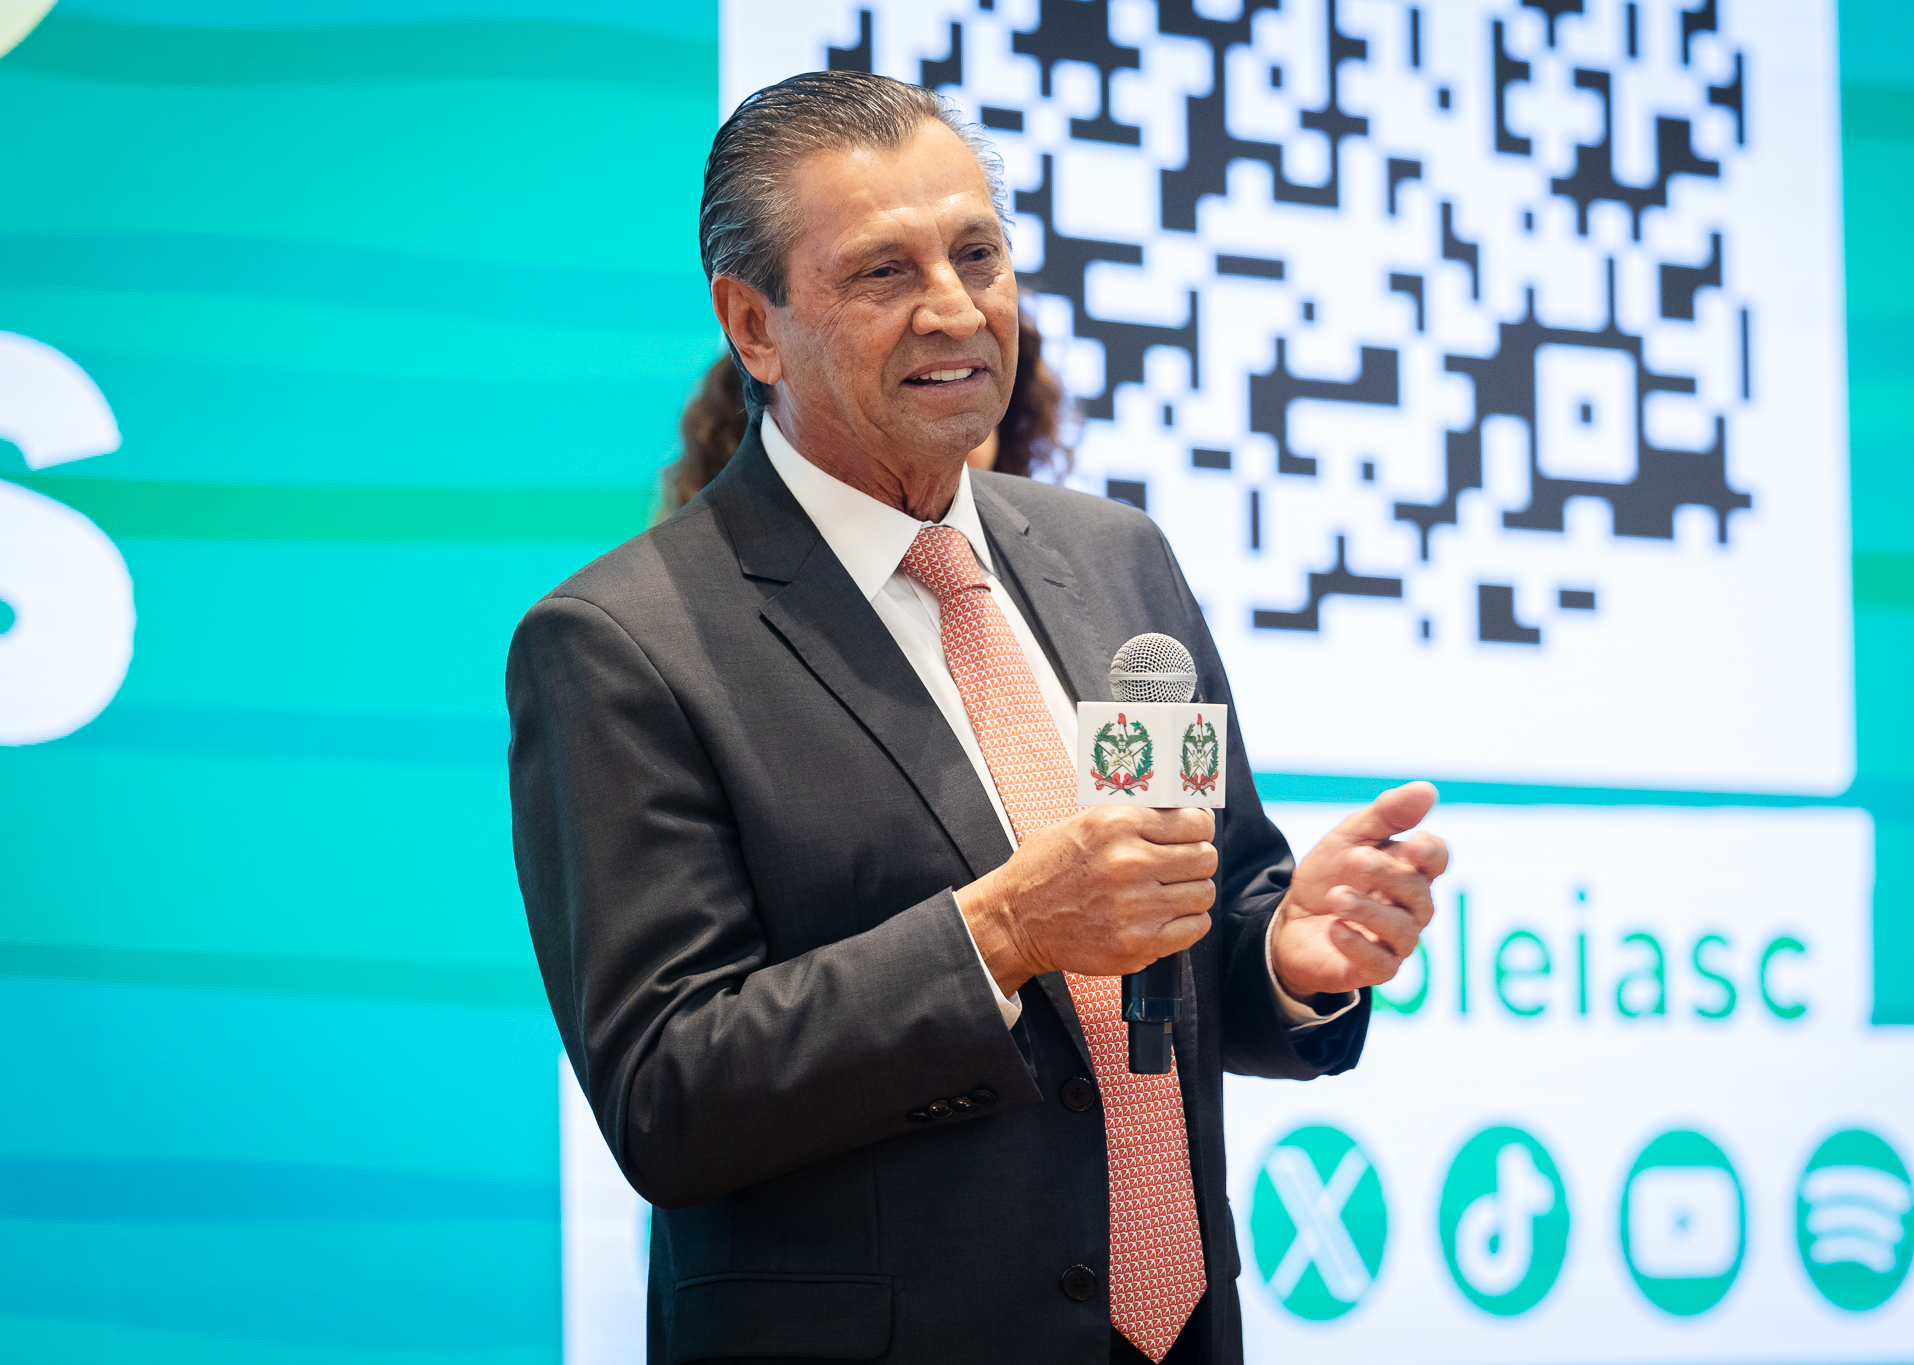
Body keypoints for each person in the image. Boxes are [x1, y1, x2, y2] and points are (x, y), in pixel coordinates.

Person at [507, 70, 1447, 1365]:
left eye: (978, 254)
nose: (955, 307)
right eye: (884, 272)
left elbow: (1191, 929)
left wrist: (1287, 952)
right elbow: (668, 1093)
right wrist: (999, 934)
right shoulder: (625, 643)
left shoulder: (1117, 560)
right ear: (755, 326)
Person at [657, 308, 1072, 518]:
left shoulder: (1085, 554)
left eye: (965, 381)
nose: (958, 317)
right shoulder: (670, 610)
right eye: (883, 272)